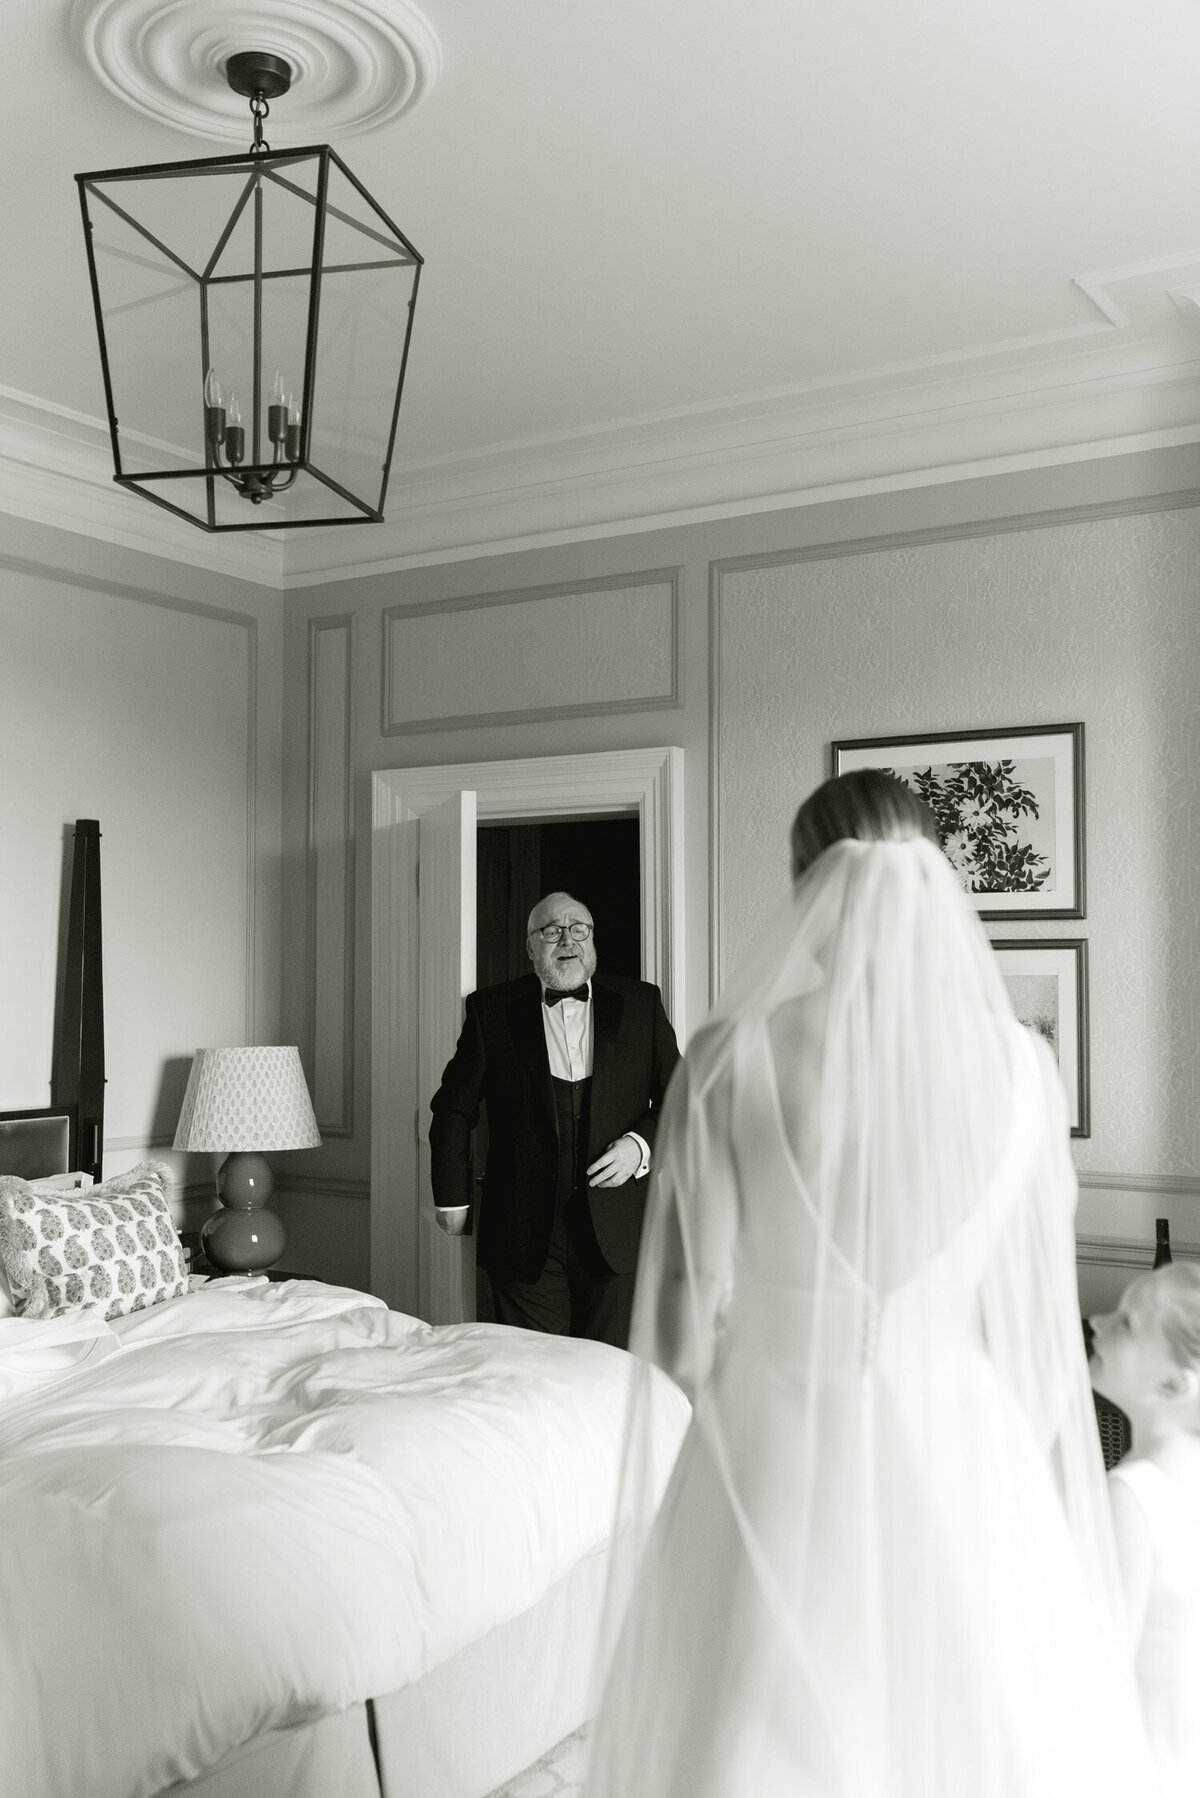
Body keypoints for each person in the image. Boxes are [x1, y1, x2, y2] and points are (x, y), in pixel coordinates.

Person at [582, 770, 1152, 1798]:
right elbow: (1029, 1321)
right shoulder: (1024, 1067)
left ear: (809, 884)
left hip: (771, 1433)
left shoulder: (730, 1055)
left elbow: (674, 1333)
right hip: (963, 1431)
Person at [429, 890, 680, 1348]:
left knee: (609, 1370)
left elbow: (682, 1098)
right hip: (521, 1230)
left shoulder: (642, 1004)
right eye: (551, 931)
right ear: (531, 947)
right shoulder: (490, 1011)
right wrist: (452, 1198)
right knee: (530, 1372)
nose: (567, 940)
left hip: (617, 1229)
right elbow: (452, 1109)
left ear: (593, 941)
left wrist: (639, 1147)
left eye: (578, 929)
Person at [1089, 1264, 1200, 1796]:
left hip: (1145, 1759)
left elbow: (1104, 1669)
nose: (1097, 1322)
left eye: (1127, 1324)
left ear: (1174, 1383)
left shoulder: (1132, 1495)